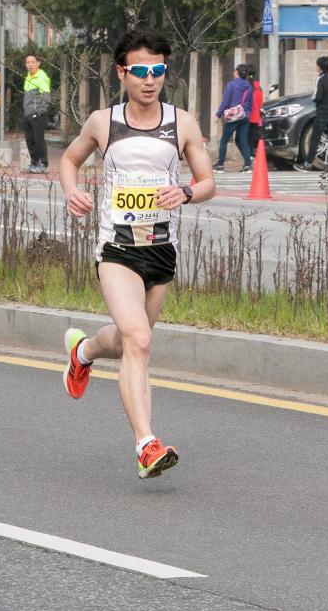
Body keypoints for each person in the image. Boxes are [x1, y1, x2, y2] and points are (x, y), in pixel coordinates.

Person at [59, 28, 215, 479]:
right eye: (141, 71)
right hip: (117, 250)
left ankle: (84, 351)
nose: (150, 80)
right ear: (122, 72)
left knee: (130, 340)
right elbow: (69, 160)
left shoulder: (181, 122)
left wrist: (185, 191)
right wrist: (73, 193)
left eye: (159, 70)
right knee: (140, 341)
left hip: (161, 251)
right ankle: (147, 445)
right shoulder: (102, 122)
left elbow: (208, 182)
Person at [299, 55, 328, 172]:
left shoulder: (320, 79)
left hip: (322, 112)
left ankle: (308, 163)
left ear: (319, 67)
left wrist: (313, 99)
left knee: (315, 139)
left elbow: (317, 96)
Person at [213, 63, 253, 172]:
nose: (234, 72)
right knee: (243, 140)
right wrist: (247, 115)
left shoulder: (231, 85)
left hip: (233, 116)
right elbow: (250, 103)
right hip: (245, 116)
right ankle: (247, 165)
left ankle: (220, 165)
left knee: (224, 140)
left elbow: (226, 101)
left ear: (237, 73)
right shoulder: (249, 86)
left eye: (235, 71)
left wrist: (218, 114)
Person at [22, 53, 52, 173]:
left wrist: (38, 112)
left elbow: (46, 97)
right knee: (30, 140)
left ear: (38, 63)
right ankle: (34, 162)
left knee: (38, 139)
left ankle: (43, 163)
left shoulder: (41, 77)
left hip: (36, 115)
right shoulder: (28, 77)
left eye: (33, 62)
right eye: (28, 62)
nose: (30, 64)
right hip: (27, 115)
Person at [247, 68, 264, 153]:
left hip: (246, 116)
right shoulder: (259, 88)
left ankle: (247, 156)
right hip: (256, 117)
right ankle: (251, 155)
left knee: (244, 138)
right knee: (252, 137)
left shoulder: (246, 86)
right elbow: (261, 104)